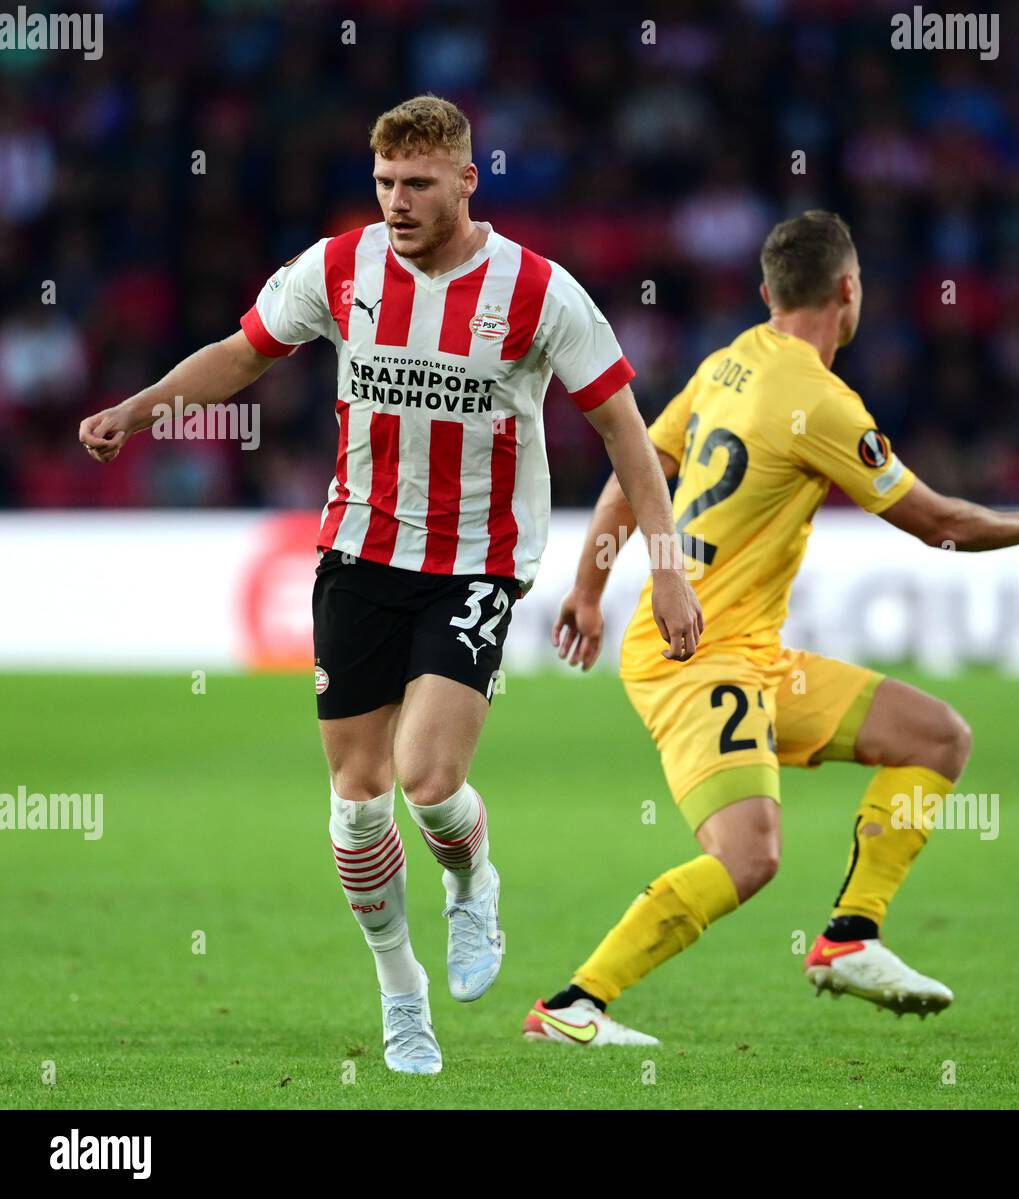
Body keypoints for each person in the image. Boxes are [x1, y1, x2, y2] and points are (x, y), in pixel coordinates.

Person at [78, 94, 702, 1074]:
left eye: (416, 184)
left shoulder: (538, 292)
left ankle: (471, 878)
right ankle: (399, 988)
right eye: (383, 184)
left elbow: (625, 429)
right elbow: (245, 352)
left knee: (429, 777)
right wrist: (146, 404)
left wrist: (663, 571)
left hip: (476, 563)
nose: (397, 203)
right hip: (359, 556)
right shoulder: (341, 266)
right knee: (359, 799)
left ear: (466, 178)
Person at [524, 211, 1019, 1046]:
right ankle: (575, 1003)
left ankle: (851, 937)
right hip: (696, 654)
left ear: (766, 294)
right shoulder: (824, 404)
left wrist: (587, 588)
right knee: (749, 855)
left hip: (747, 653)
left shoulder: (727, 363)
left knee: (936, 738)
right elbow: (938, 522)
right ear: (849, 291)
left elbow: (637, 468)